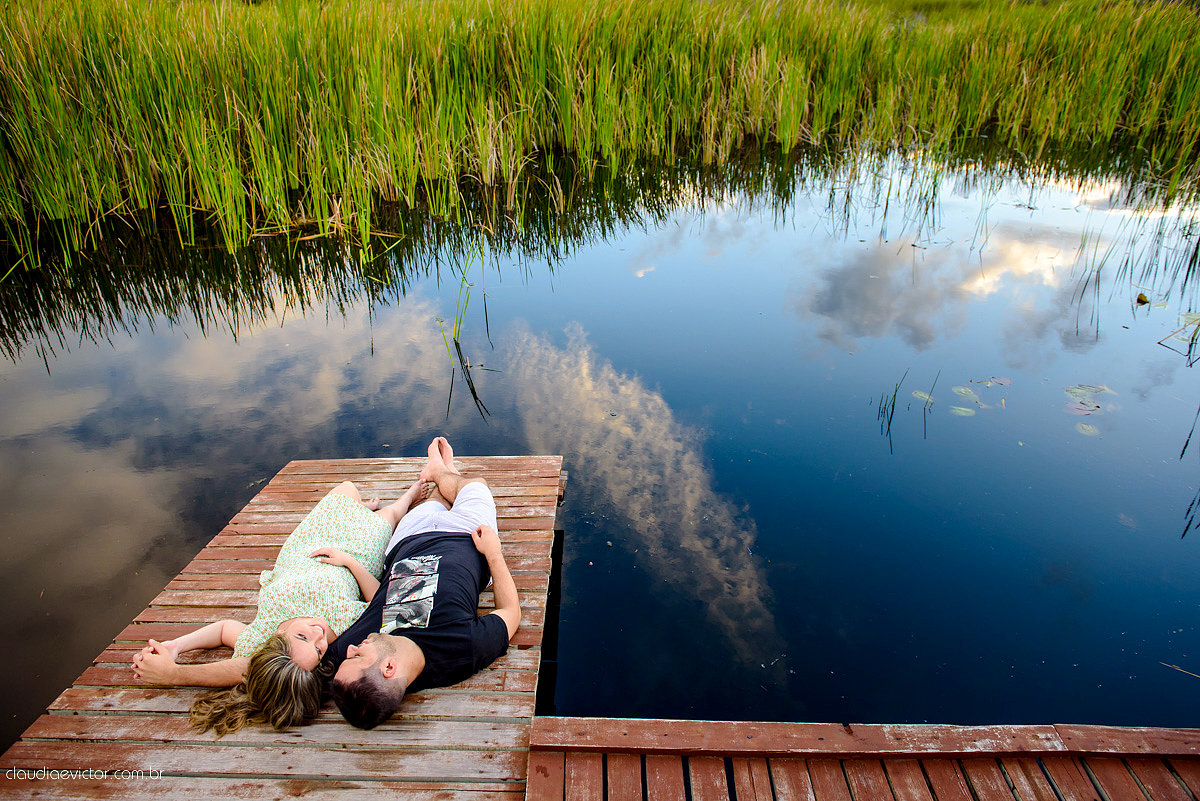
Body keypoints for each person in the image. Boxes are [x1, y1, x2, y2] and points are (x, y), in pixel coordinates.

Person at [130, 476, 431, 734]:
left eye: (302, 636)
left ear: (276, 638)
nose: (317, 633)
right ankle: (408, 496)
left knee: (347, 487)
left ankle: (361, 509)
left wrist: (177, 648)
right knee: (388, 516)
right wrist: (350, 563)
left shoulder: (262, 639)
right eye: (318, 650)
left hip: (308, 546)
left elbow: (224, 632)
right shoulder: (338, 624)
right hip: (356, 552)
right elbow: (379, 599)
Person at [324, 436, 521, 729]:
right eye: (356, 657)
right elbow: (511, 612)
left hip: (409, 539)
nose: (350, 649)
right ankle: (443, 471)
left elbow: (275, 670)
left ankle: (442, 475)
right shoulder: (461, 648)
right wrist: (493, 553)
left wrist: (351, 563)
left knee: (436, 499)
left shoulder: (358, 648)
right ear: (388, 668)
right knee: (476, 485)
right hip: (468, 535)